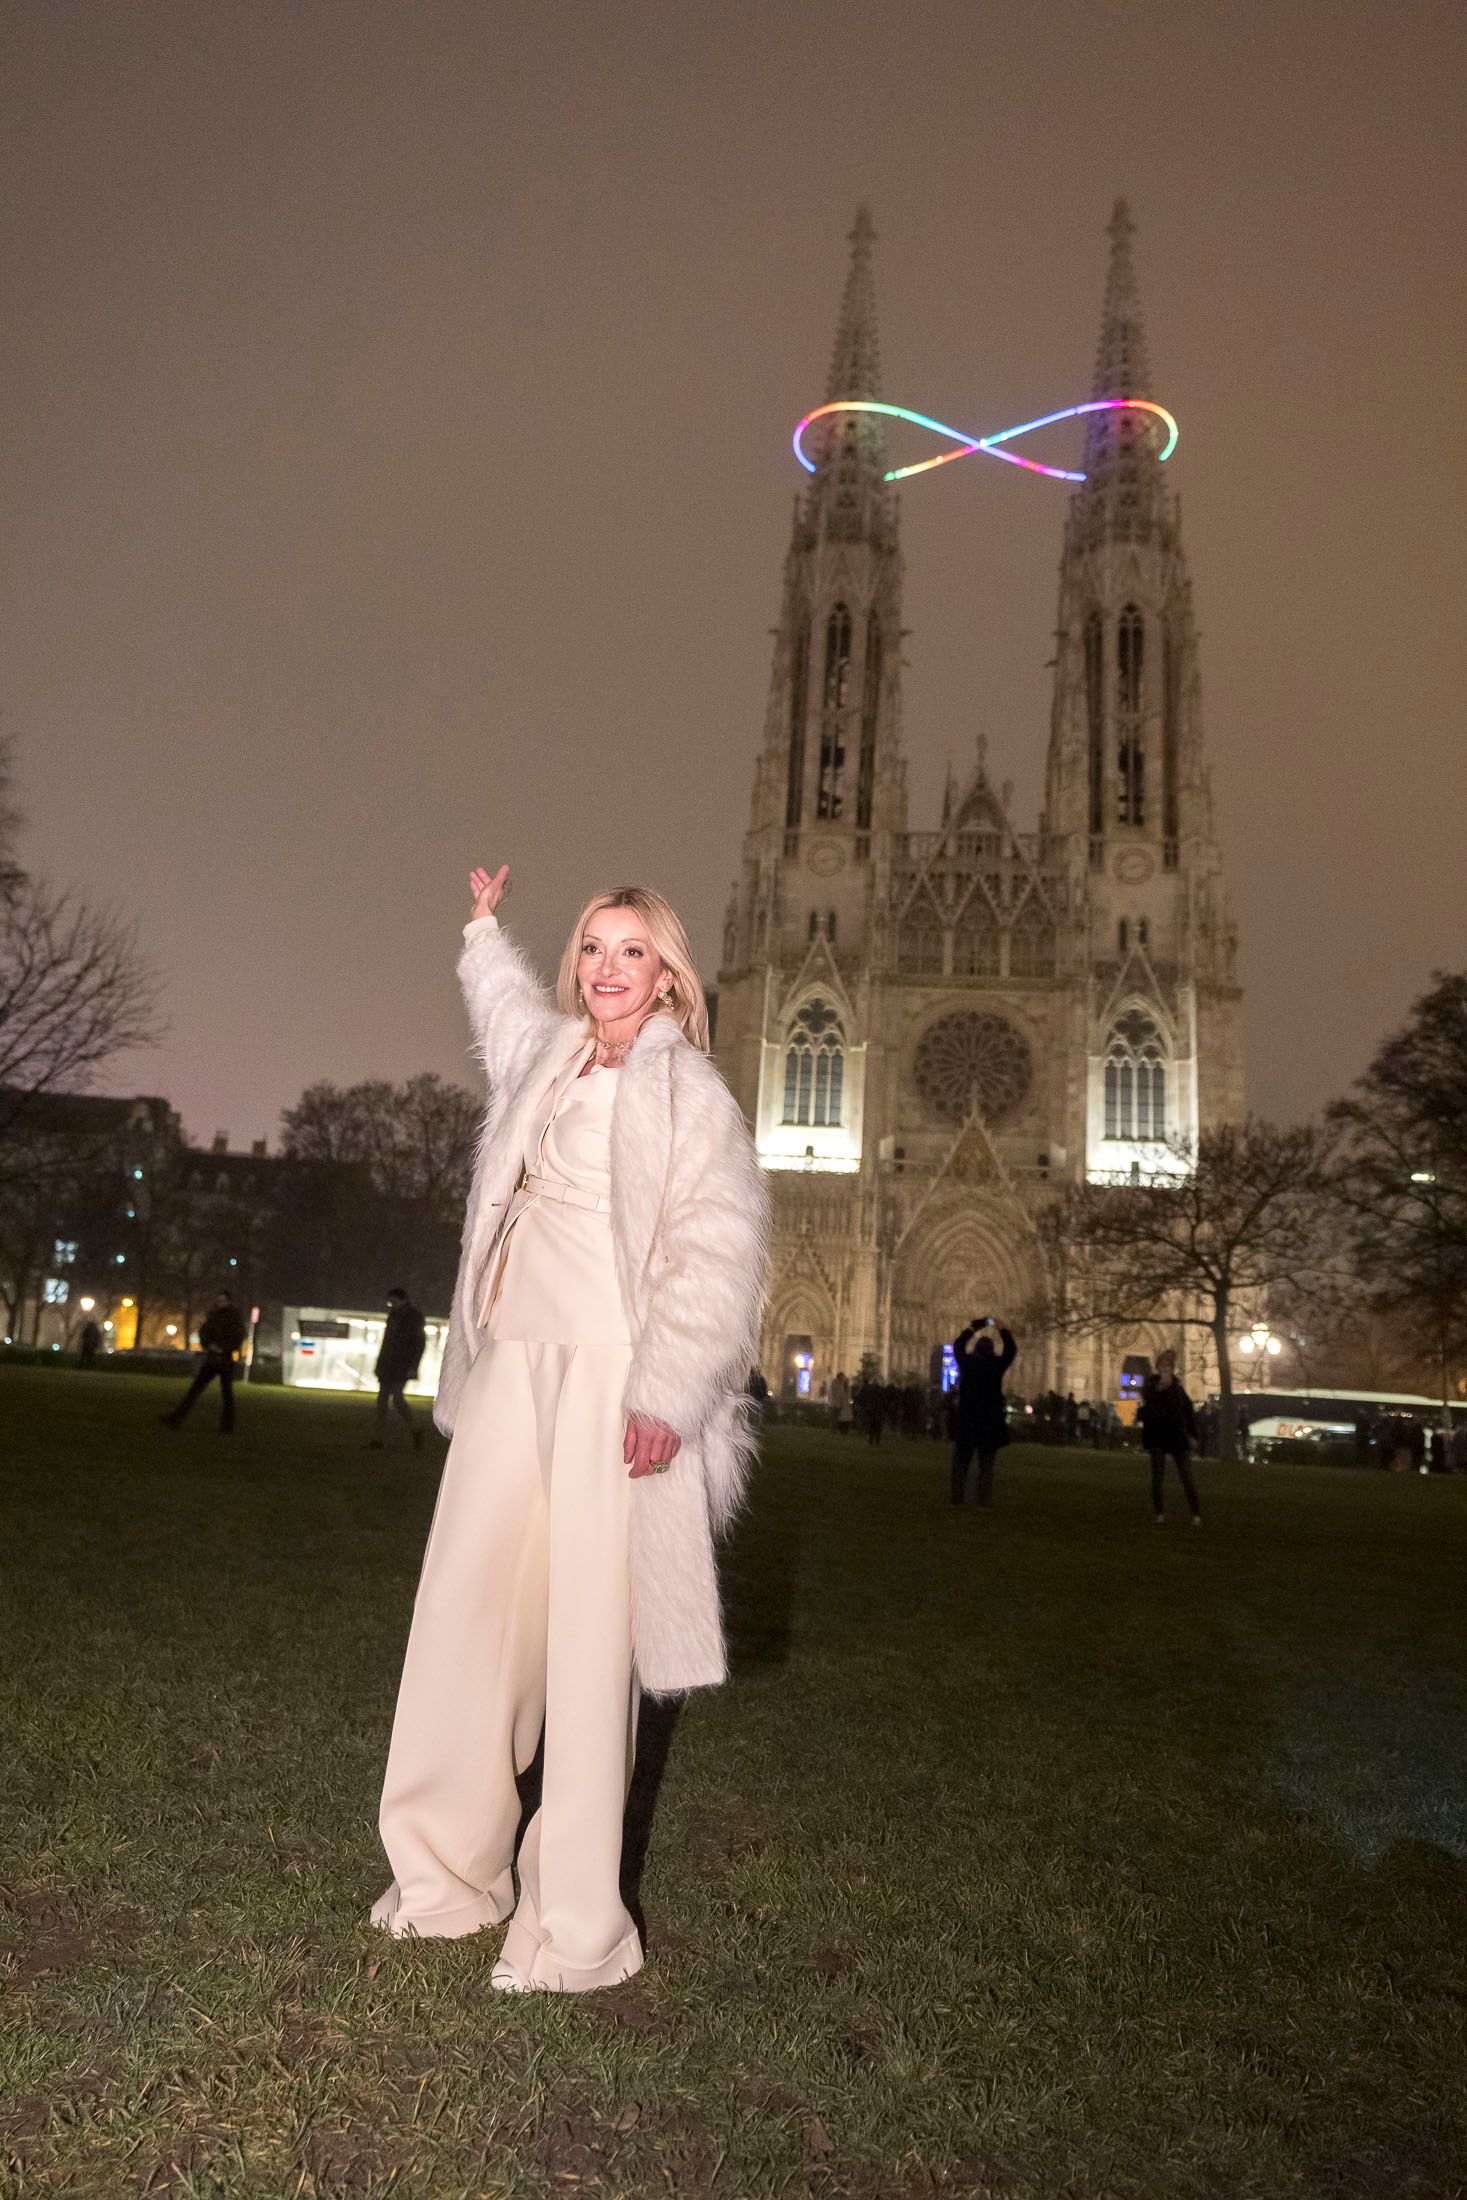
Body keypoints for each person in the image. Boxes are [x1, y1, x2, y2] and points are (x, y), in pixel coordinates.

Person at [372, 865, 769, 1994]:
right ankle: (447, 1874)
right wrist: (483, 929)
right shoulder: (549, 1054)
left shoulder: (687, 1087)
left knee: (591, 1643)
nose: (605, 967)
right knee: (468, 1606)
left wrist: (666, 1393)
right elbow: (501, 1014)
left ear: (669, 975)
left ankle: (572, 1922)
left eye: (630, 950)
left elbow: (719, 1249)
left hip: (609, 1373)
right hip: (511, 1361)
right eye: (592, 947)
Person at [950, 1317, 1017, 1506]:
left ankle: (957, 1498)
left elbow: (958, 1345)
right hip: (989, 1421)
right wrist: (1001, 1328)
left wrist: (974, 1327)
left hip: (968, 1419)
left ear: (976, 1350)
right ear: (992, 1351)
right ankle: (983, 1500)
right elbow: (1011, 1350)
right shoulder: (996, 1366)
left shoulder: (967, 1364)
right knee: (986, 1465)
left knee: (961, 1463)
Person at [160, 1292, 248, 1434]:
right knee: (197, 1391)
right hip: (215, 1358)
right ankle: (177, 1418)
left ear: (228, 1301)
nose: (220, 1303)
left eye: (222, 1300)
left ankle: (225, 1426)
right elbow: (205, 1333)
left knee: (224, 1394)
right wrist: (210, 1345)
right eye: (219, 1300)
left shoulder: (230, 1317)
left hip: (223, 1359)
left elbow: (236, 1336)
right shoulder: (218, 1316)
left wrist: (220, 1347)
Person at [1139, 1351, 1202, 1525]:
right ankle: (1159, 1514)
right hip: (1157, 1437)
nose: (1165, 1369)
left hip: (1177, 1437)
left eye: (1168, 1367)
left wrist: (1192, 1435)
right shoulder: (1150, 1388)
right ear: (1158, 1368)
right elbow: (1148, 1410)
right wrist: (1159, 1390)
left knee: (1186, 1476)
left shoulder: (1178, 1390)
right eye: (1163, 1366)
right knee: (1157, 1477)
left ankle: (1196, 1514)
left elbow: (1188, 1413)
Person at [370, 1287, 427, 1451]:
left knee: (396, 1399)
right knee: (383, 1401)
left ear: (401, 1300)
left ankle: (414, 1429)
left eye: (392, 1301)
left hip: (401, 1365)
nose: (390, 1305)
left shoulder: (414, 1317)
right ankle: (378, 1438)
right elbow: (387, 1342)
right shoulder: (395, 1316)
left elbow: (418, 1344)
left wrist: (413, 1366)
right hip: (390, 1364)